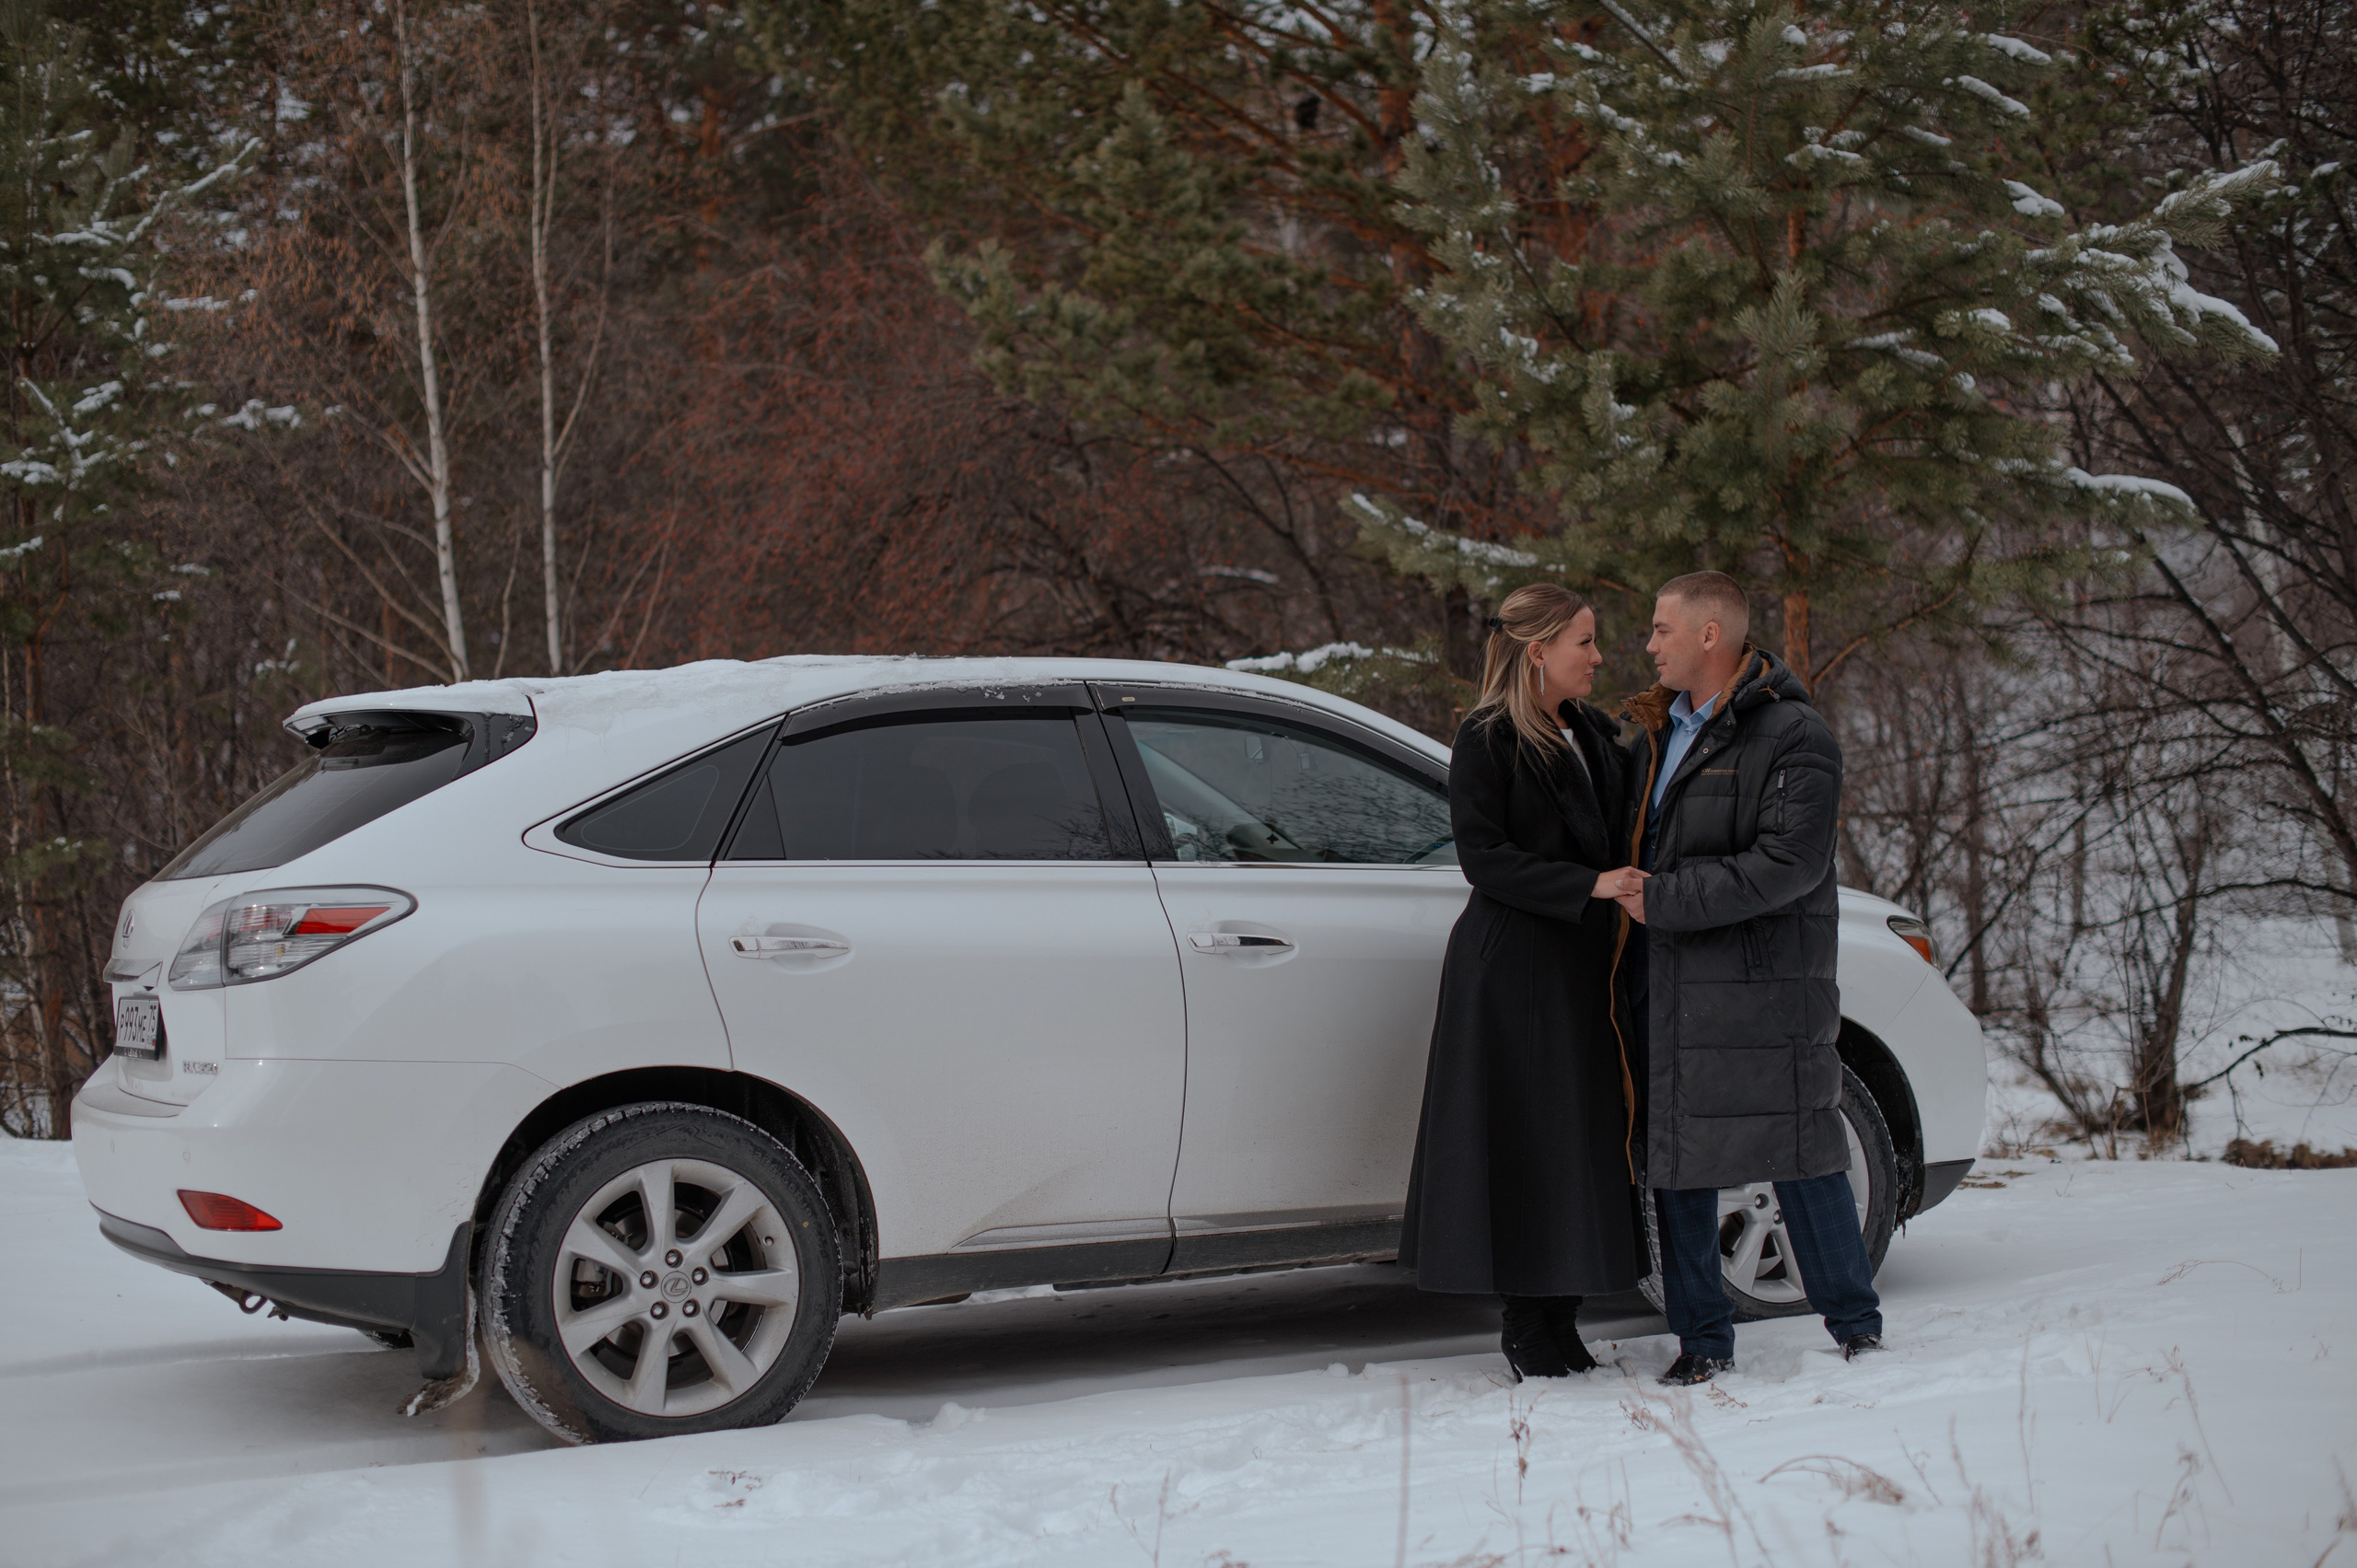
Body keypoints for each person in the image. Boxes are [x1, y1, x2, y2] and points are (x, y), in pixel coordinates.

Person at [1611, 571, 1884, 1387]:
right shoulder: (1658, 734)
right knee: (1678, 1158)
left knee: (1800, 1149)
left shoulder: (1796, 735)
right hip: (1672, 980)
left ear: (1709, 636)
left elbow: (1788, 864)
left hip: (1764, 987)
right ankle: (1702, 1340)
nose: (1649, 643)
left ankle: (1857, 1331)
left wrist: (1661, 899)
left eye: (1662, 629)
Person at [1399, 583, 1652, 1379]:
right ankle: (1526, 1323)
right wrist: (1594, 885)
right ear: (1538, 650)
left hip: (1580, 965)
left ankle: (1561, 1314)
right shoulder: (1487, 737)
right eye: (1585, 640)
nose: (1599, 654)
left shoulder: (1594, 733)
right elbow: (1485, 857)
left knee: (1574, 1141)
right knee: (1521, 1137)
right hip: (1511, 966)